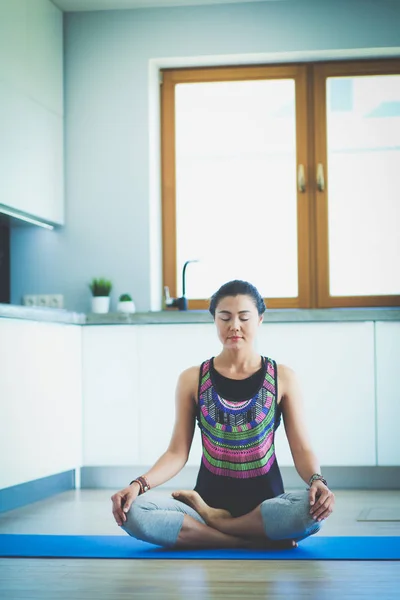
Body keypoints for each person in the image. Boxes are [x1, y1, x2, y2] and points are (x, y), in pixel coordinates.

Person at [111, 280, 335, 549]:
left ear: (260, 319)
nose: (234, 326)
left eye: (244, 317)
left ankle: (219, 527)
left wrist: (317, 482)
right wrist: (137, 485)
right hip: (204, 503)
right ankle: (242, 537)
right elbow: (176, 453)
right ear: (214, 320)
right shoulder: (192, 378)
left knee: (311, 513)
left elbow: (301, 447)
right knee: (133, 513)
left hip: (266, 510)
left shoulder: (283, 377)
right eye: (225, 317)